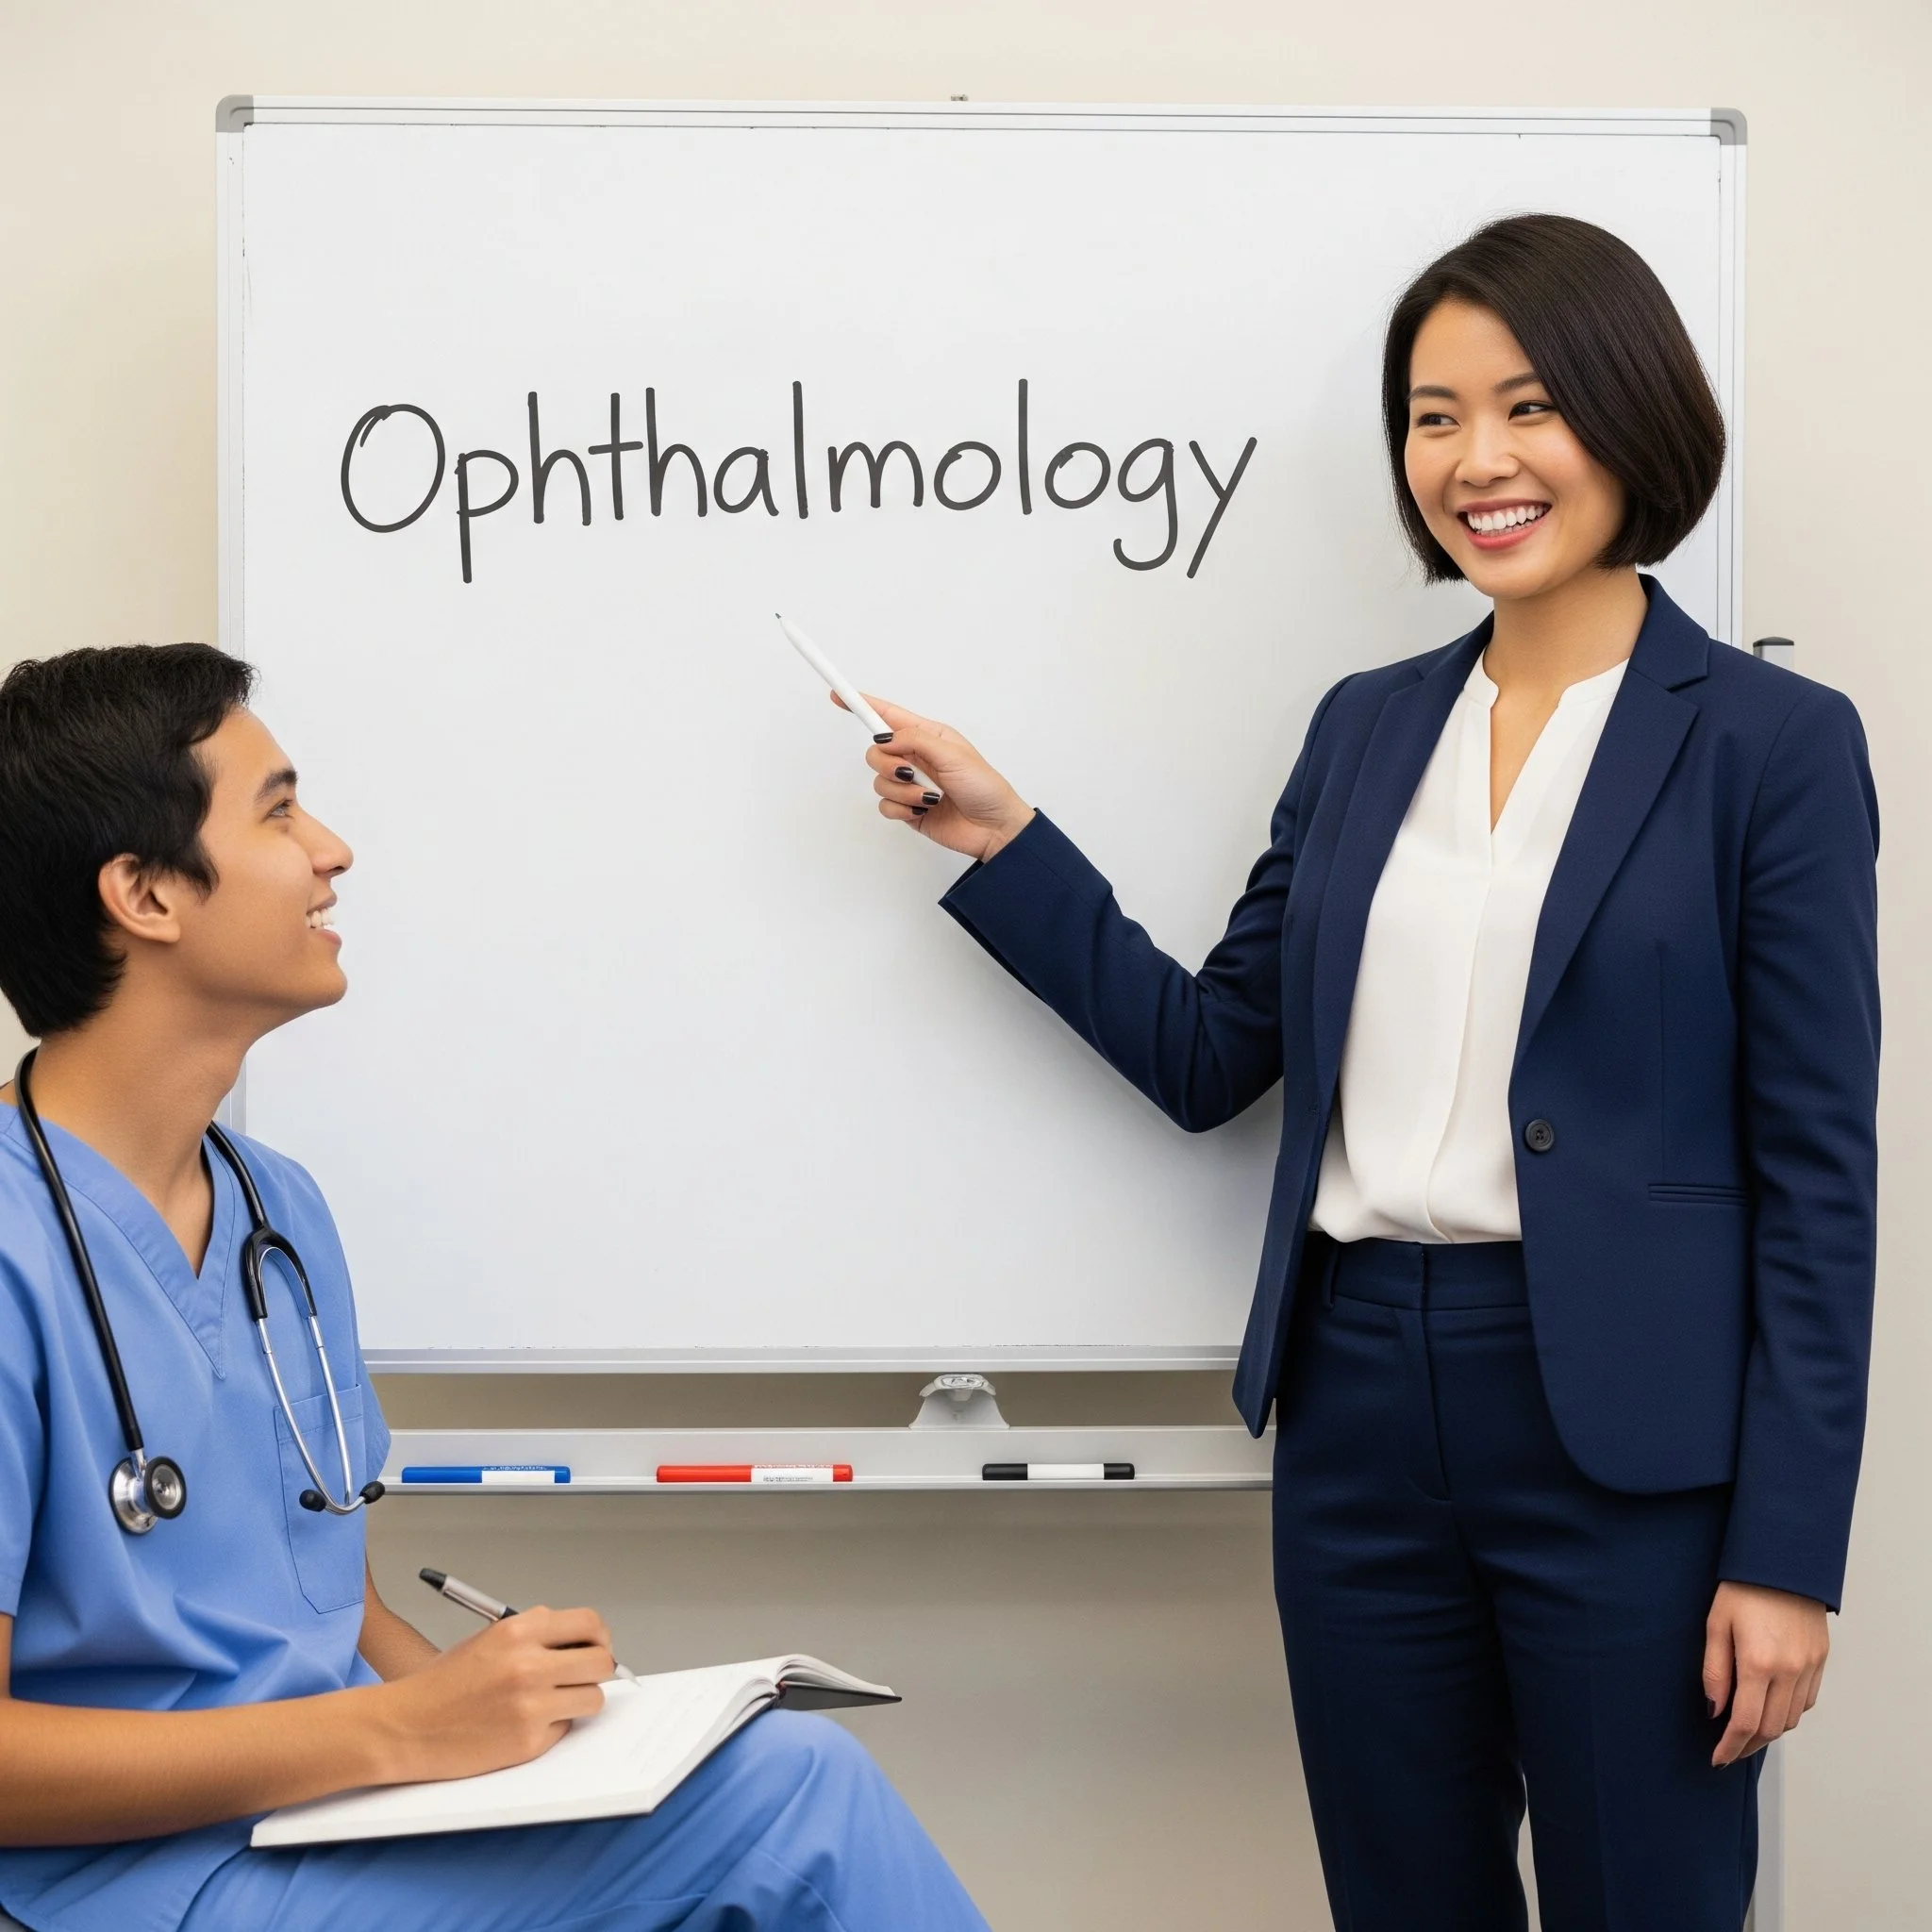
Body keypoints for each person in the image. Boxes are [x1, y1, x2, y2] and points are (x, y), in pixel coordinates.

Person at [846, 215, 1878, 1930]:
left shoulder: (1771, 747)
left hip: (1624, 1433)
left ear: (1634, 415)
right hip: (1360, 1412)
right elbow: (1210, 1054)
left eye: (1527, 406)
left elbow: (1819, 1181)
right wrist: (1002, 839)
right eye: (1432, 416)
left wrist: (1786, 1554)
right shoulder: (1364, 725)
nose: (1477, 461)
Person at [0, 643, 990, 1932]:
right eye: (281, 810)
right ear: (143, 893)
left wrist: (534, 1722)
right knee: (789, 1808)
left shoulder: (274, 1216)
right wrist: (400, 1733)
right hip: (127, 1887)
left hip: (323, 1825)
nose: (333, 851)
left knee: (781, 1777)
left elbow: (326, 1610)